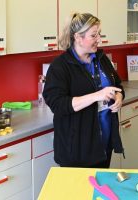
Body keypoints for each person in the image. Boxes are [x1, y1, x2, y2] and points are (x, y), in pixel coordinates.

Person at [43, 12, 125, 168]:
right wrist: (96, 96)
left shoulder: (101, 58)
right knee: (79, 192)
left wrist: (119, 96)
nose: (99, 39)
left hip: (104, 144)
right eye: (94, 35)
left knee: (99, 191)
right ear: (78, 37)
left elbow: (118, 85)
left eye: (99, 34)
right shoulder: (60, 66)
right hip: (77, 151)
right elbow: (58, 104)